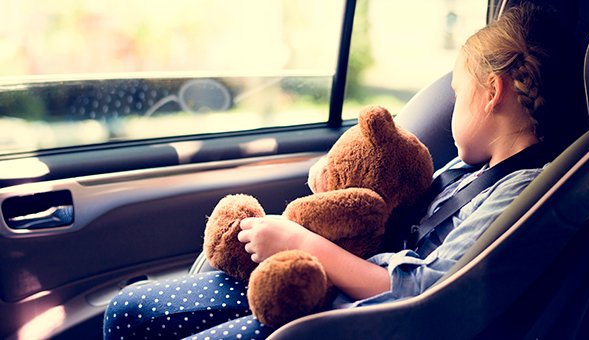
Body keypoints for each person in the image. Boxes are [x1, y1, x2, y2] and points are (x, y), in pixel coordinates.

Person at [104, 4, 565, 339]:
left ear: (491, 93)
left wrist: (300, 242)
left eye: (459, 94)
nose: (452, 110)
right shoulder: (466, 171)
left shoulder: (521, 191)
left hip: (357, 314)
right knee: (126, 310)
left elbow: (428, 289)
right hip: (329, 283)